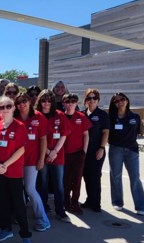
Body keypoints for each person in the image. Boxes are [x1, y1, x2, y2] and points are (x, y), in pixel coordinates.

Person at [0, 96, 33, 243]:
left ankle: (25, 236)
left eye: (8, 106)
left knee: (18, 203)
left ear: (14, 108)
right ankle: (6, 229)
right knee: (1, 201)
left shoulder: (19, 126)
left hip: (13, 171)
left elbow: (21, 149)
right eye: (1, 107)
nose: (5, 109)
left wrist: (5, 165)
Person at [107, 92, 144, 215]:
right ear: (114, 104)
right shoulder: (111, 118)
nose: (120, 102)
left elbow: (138, 133)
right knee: (116, 176)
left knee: (135, 177)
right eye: (116, 101)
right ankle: (117, 202)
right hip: (116, 149)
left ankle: (140, 205)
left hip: (132, 151)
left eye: (122, 99)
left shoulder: (135, 117)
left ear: (127, 100)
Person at [15, 91, 49, 232]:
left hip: (31, 160)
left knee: (29, 188)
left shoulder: (38, 117)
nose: (22, 104)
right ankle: (21, 216)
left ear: (29, 101)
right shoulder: (14, 117)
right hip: (16, 161)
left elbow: (43, 139)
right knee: (19, 190)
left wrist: (41, 159)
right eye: (18, 102)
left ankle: (43, 219)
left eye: (24, 101)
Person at [36, 90, 72, 222]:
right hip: (42, 155)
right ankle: (44, 208)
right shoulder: (36, 116)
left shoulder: (59, 115)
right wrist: (47, 152)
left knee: (59, 184)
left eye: (49, 101)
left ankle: (60, 211)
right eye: (43, 100)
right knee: (43, 183)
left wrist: (54, 151)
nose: (46, 103)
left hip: (57, 156)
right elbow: (36, 138)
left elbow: (64, 134)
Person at [81, 88, 110, 213]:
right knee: (86, 176)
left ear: (98, 100)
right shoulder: (82, 114)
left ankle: (96, 203)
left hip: (96, 150)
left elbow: (105, 132)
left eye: (94, 98)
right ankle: (89, 200)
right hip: (84, 152)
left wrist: (102, 148)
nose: (91, 100)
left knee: (95, 176)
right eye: (89, 98)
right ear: (86, 100)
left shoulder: (102, 115)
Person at [61, 92, 89, 215]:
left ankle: (75, 202)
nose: (70, 104)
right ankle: (66, 202)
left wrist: (84, 151)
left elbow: (86, 135)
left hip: (78, 153)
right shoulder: (60, 117)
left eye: (73, 101)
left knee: (77, 180)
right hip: (64, 154)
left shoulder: (81, 117)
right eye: (67, 101)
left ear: (76, 103)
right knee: (66, 180)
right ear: (63, 104)